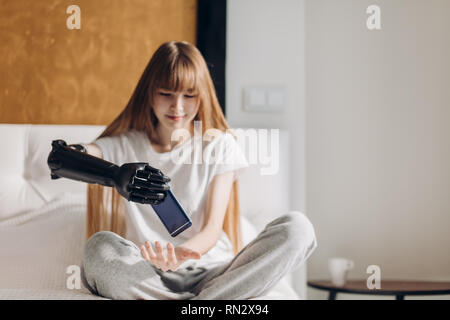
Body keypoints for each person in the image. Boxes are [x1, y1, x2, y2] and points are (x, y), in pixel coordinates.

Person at [79, 40, 317, 300]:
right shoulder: (125, 146)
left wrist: (181, 253)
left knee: (299, 229)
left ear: (201, 95)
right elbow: (84, 155)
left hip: (214, 272)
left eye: (189, 95)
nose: (177, 107)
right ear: (149, 93)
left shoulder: (219, 145)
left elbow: (212, 230)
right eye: (166, 93)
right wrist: (69, 154)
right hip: (147, 273)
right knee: (98, 247)